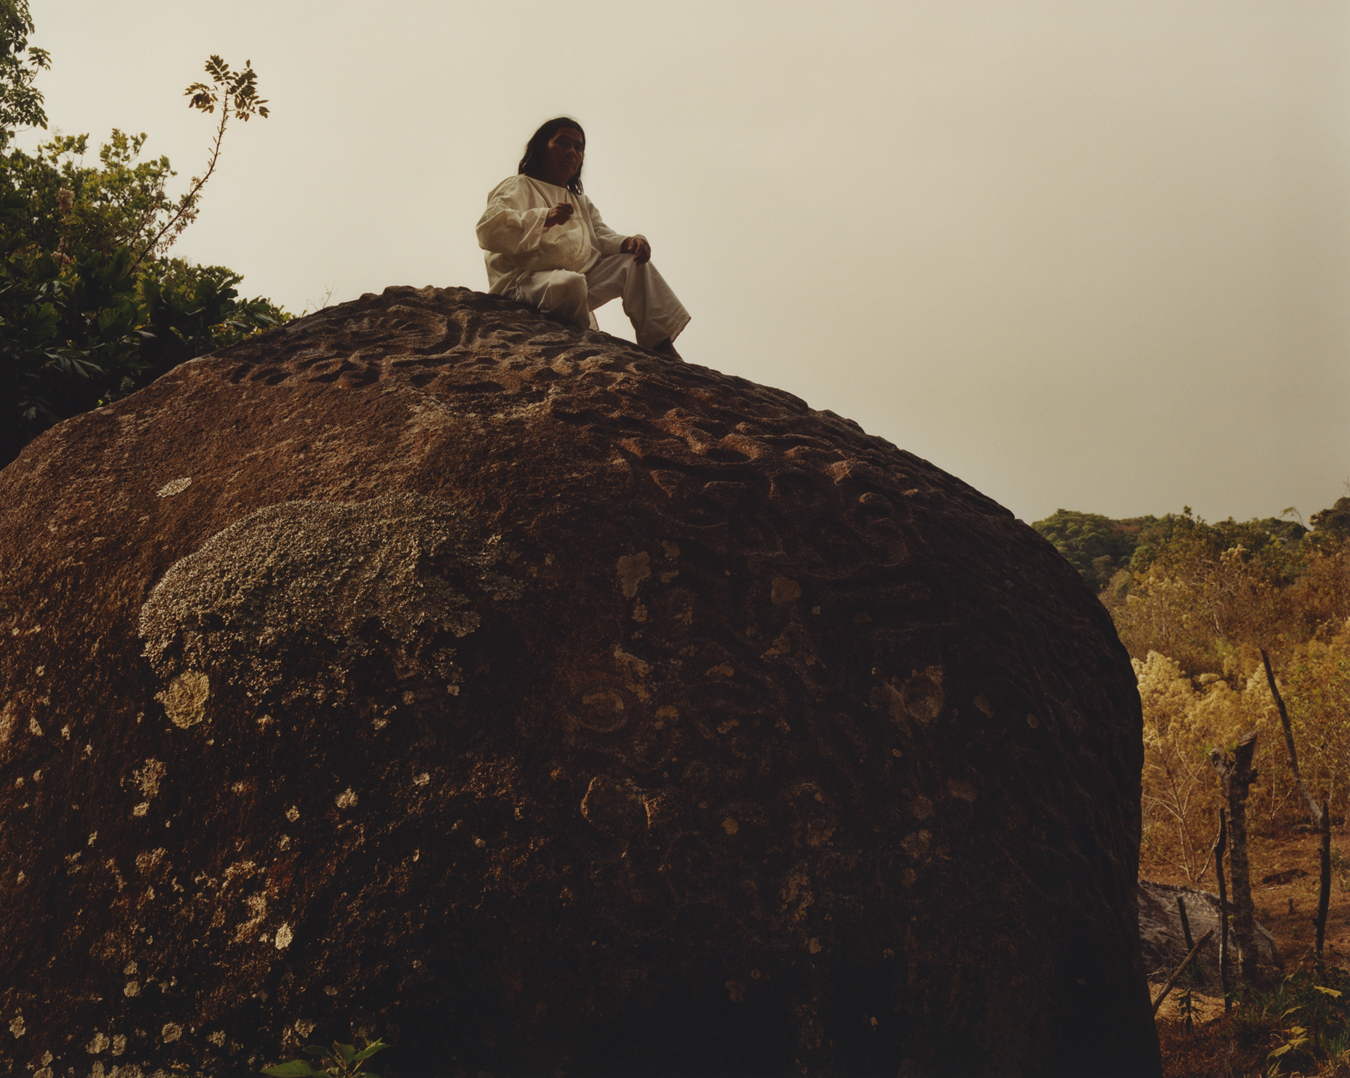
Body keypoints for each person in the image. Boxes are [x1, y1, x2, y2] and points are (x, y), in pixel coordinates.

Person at [476, 117, 689, 361]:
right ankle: (583, 344)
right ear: (541, 148)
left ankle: (660, 344)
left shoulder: (580, 202)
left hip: (575, 284)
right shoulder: (519, 185)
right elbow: (489, 229)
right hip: (523, 283)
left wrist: (629, 241)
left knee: (634, 263)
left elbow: (600, 236)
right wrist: (544, 217)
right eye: (563, 143)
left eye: (578, 147)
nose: (571, 152)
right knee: (569, 284)